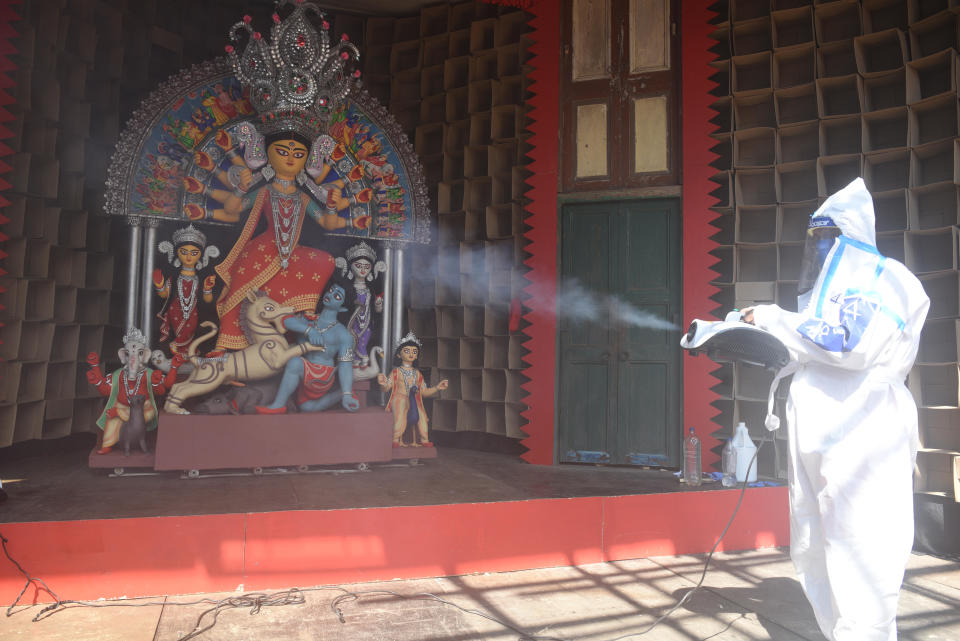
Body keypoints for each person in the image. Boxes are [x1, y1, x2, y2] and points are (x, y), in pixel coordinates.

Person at [742, 178, 929, 641]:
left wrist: (774, 319)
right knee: (813, 542)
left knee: (863, 546)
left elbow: (851, 346)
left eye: (827, 238)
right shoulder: (833, 290)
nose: (820, 250)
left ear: (848, 237)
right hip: (817, 429)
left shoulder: (890, 280)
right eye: (815, 240)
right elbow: (813, 344)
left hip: (864, 430)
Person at [255, 283, 359, 414]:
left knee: (295, 363)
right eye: (331, 291)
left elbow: (345, 365)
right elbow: (285, 320)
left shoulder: (342, 334)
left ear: (342, 307)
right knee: (307, 408)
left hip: (320, 377)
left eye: (337, 296)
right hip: (302, 376)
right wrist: (309, 331)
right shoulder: (309, 319)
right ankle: (338, 394)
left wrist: (347, 393)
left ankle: (278, 405)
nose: (331, 295)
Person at [154, 224, 219, 356]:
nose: (189, 257)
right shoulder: (174, 278)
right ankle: (178, 350)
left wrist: (207, 289)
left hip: (193, 310)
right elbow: (164, 295)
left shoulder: (200, 279)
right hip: (175, 309)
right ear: (177, 253)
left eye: (194, 253)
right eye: (184, 252)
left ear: (201, 255)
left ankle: (183, 351)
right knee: (180, 332)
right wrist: (159, 285)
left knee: (192, 329)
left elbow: (208, 300)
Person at [377, 332, 448, 447]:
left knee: (422, 417)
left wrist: (437, 388)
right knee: (400, 414)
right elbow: (386, 388)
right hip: (400, 399)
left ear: (417, 356)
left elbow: (424, 392)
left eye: (414, 352)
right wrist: (383, 383)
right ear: (399, 355)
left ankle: (424, 440)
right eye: (407, 350)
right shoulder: (396, 372)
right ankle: (395, 439)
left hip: (414, 400)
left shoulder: (418, 374)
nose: (411, 354)